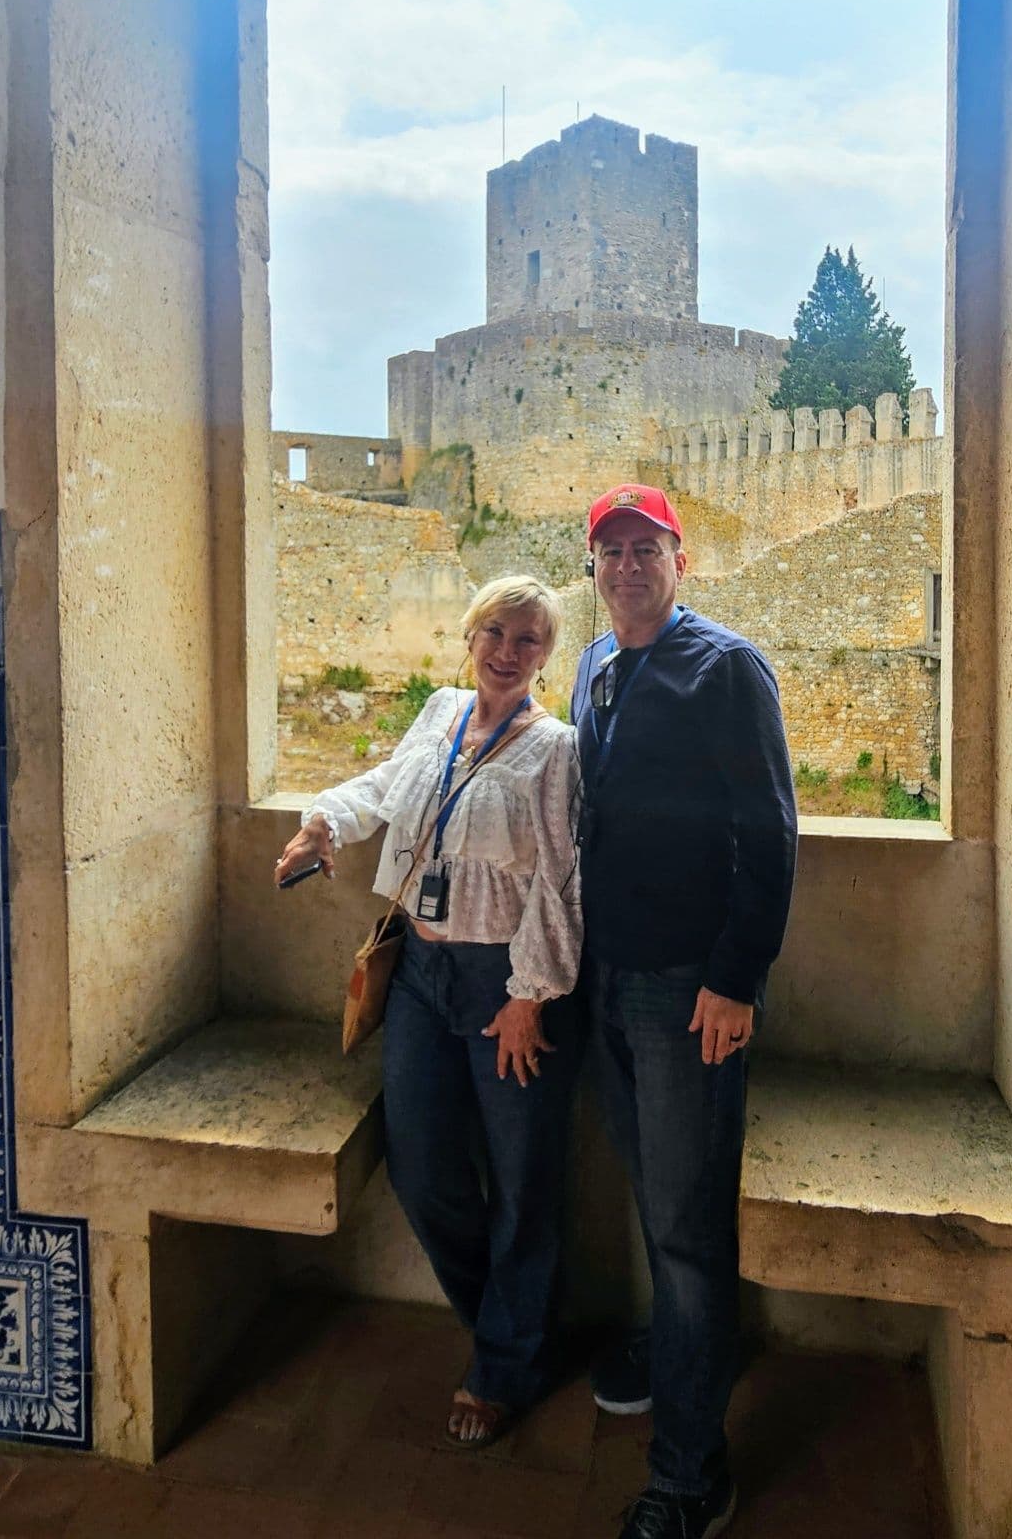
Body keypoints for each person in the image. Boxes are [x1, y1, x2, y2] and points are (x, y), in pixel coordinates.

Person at [274, 574, 582, 1449]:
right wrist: (325, 823)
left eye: (528, 638)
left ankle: (503, 1367)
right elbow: (384, 787)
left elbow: (563, 879)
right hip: (418, 973)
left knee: (524, 1178)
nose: (506, 649)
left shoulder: (554, 747)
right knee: (418, 1164)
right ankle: (511, 1326)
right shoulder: (441, 712)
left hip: (504, 984)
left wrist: (530, 996)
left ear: (546, 656)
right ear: (469, 633)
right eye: (495, 629)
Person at [571, 485, 797, 1539]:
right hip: (606, 978)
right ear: (593, 567)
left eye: (644, 545)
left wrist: (737, 976)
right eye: (610, 548)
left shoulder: (727, 666)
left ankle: (690, 1475)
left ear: (681, 556)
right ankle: (690, 1350)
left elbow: (770, 829)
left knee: (688, 1221)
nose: (627, 562)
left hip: (687, 992)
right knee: (662, 1200)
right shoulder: (596, 664)